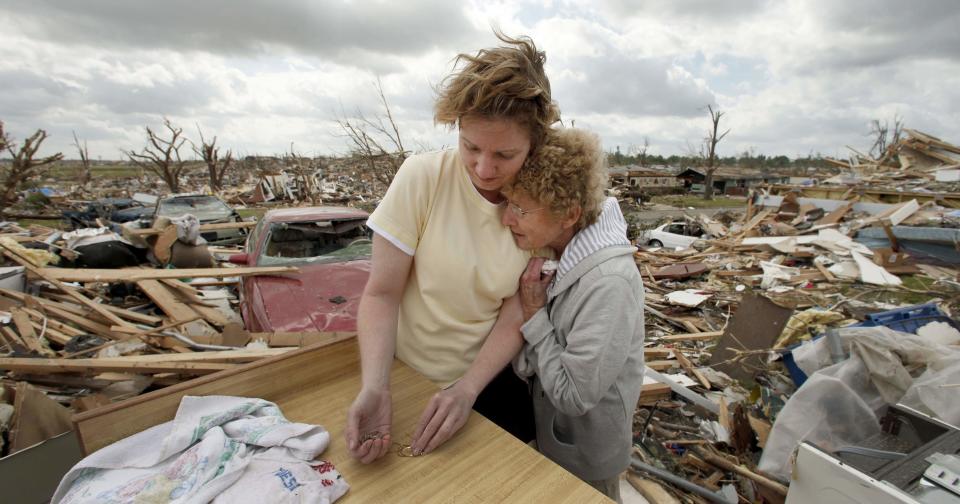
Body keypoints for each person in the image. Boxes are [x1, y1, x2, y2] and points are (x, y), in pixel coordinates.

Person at [345, 32, 560, 463]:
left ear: (534, 145)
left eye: (505, 154)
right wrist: (376, 385)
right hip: (402, 373)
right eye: (471, 147)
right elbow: (382, 293)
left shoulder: (542, 204)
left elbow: (516, 308)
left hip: (485, 379)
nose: (484, 168)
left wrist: (467, 387)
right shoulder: (422, 178)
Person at [502, 128, 645, 502]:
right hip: (558, 443)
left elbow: (572, 395)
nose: (507, 219)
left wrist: (534, 314)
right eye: (508, 204)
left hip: (587, 461)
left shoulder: (608, 284)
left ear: (569, 214)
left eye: (520, 209)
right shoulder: (561, 255)